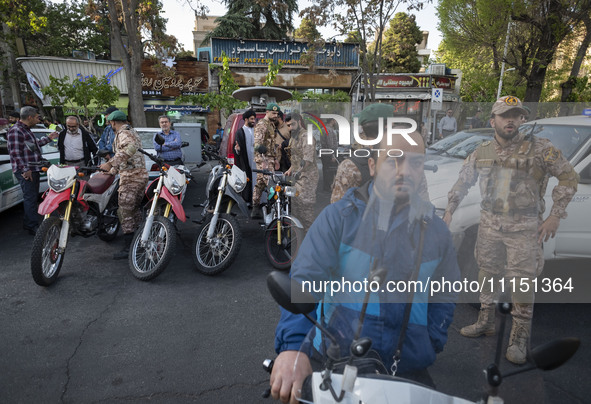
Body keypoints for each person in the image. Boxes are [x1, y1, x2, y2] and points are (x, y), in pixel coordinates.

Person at [270, 130, 459, 403]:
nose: (404, 170)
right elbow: (303, 283)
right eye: (394, 159)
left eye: (415, 163)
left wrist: (431, 339)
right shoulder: (338, 219)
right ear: (372, 166)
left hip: (408, 367)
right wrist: (293, 350)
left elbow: (446, 291)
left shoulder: (436, 230)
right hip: (338, 359)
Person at [443, 95, 578, 365]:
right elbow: (462, 182)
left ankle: (519, 336)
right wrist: (449, 210)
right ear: (493, 120)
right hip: (490, 223)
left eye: (516, 115)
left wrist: (554, 216)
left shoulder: (540, 149)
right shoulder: (481, 152)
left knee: (522, 281)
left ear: (522, 120)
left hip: (525, 227)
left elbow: (569, 176)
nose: (511, 120)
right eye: (505, 115)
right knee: (486, 272)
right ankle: (486, 320)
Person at [330, 104, 429, 204]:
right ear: (389, 127)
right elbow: (423, 206)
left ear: (363, 130)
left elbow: (337, 207)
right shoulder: (410, 164)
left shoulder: (349, 166)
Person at [99, 111, 148, 260]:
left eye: (109, 123)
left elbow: (130, 148)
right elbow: (128, 157)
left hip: (131, 177)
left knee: (125, 211)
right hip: (140, 176)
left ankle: (129, 247)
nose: (110, 125)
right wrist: (113, 171)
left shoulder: (123, 133)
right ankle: (141, 240)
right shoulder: (131, 130)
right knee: (134, 209)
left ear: (113, 122)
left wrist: (109, 164)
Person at [7, 106, 58, 234]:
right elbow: (15, 153)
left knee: (33, 197)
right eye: (36, 116)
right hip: (26, 170)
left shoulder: (26, 130)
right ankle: (31, 226)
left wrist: (49, 138)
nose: (38, 119)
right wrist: (25, 169)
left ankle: (29, 222)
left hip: (32, 168)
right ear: (29, 117)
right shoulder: (16, 131)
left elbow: (33, 146)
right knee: (30, 197)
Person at [284, 112, 318, 231]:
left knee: (306, 208)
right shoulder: (294, 138)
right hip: (297, 177)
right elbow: (296, 160)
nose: (290, 128)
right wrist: (289, 171)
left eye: (292, 124)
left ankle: (310, 235)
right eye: (288, 125)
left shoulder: (306, 136)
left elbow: (307, 160)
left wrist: (297, 172)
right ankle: (299, 236)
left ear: (299, 122)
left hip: (307, 177)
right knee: (296, 206)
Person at [251, 103, 280, 219]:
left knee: (260, 184)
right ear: (267, 112)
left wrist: (276, 159)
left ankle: (255, 208)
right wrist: (263, 161)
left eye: (277, 113)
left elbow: (272, 145)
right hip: (264, 160)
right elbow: (258, 145)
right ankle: (273, 210)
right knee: (272, 184)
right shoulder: (262, 125)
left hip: (270, 158)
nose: (275, 115)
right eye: (273, 113)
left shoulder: (271, 124)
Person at [233, 109, 257, 204]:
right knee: (247, 180)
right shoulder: (240, 132)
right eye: (251, 119)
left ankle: (256, 201)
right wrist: (237, 150)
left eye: (254, 119)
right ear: (246, 119)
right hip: (246, 161)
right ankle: (247, 201)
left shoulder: (255, 131)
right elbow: (236, 149)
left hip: (255, 162)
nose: (253, 121)